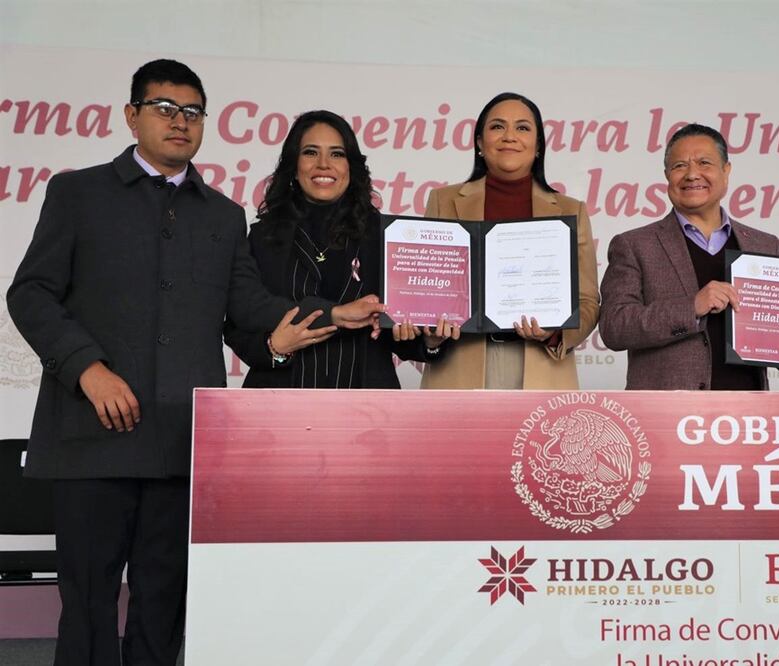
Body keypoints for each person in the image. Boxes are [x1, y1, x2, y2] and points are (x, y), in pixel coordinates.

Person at [5, 60, 371, 666]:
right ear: (132, 115)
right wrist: (87, 368)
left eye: (193, 112)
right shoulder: (78, 193)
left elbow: (251, 305)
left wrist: (335, 313)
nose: (180, 122)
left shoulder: (223, 216)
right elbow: (30, 294)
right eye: (164, 108)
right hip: (90, 437)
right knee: (90, 605)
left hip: (183, 444)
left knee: (163, 605)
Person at [224, 110, 456, 388]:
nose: (324, 164)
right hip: (280, 405)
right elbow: (240, 324)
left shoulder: (384, 236)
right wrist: (274, 348)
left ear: (351, 167)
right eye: (310, 153)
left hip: (368, 408)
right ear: (294, 166)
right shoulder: (264, 235)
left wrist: (429, 340)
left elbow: (402, 333)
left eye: (337, 154)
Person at [419, 92, 599, 389]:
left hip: (541, 367)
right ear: (479, 142)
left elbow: (588, 301)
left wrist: (555, 332)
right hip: (460, 365)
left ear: (539, 146)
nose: (509, 136)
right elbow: (428, 290)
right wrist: (429, 328)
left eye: (523, 128)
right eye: (497, 126)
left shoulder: (570, 210)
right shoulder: (443, 200)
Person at [599, 123, 779, 390]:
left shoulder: (764, 245)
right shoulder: (634, 245)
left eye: (704, 163)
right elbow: (615, 327)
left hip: (748, 413)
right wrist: (691, 307)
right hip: (667, 417)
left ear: (726, 171)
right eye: (679, 166)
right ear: (667, 176)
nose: (692, 174)